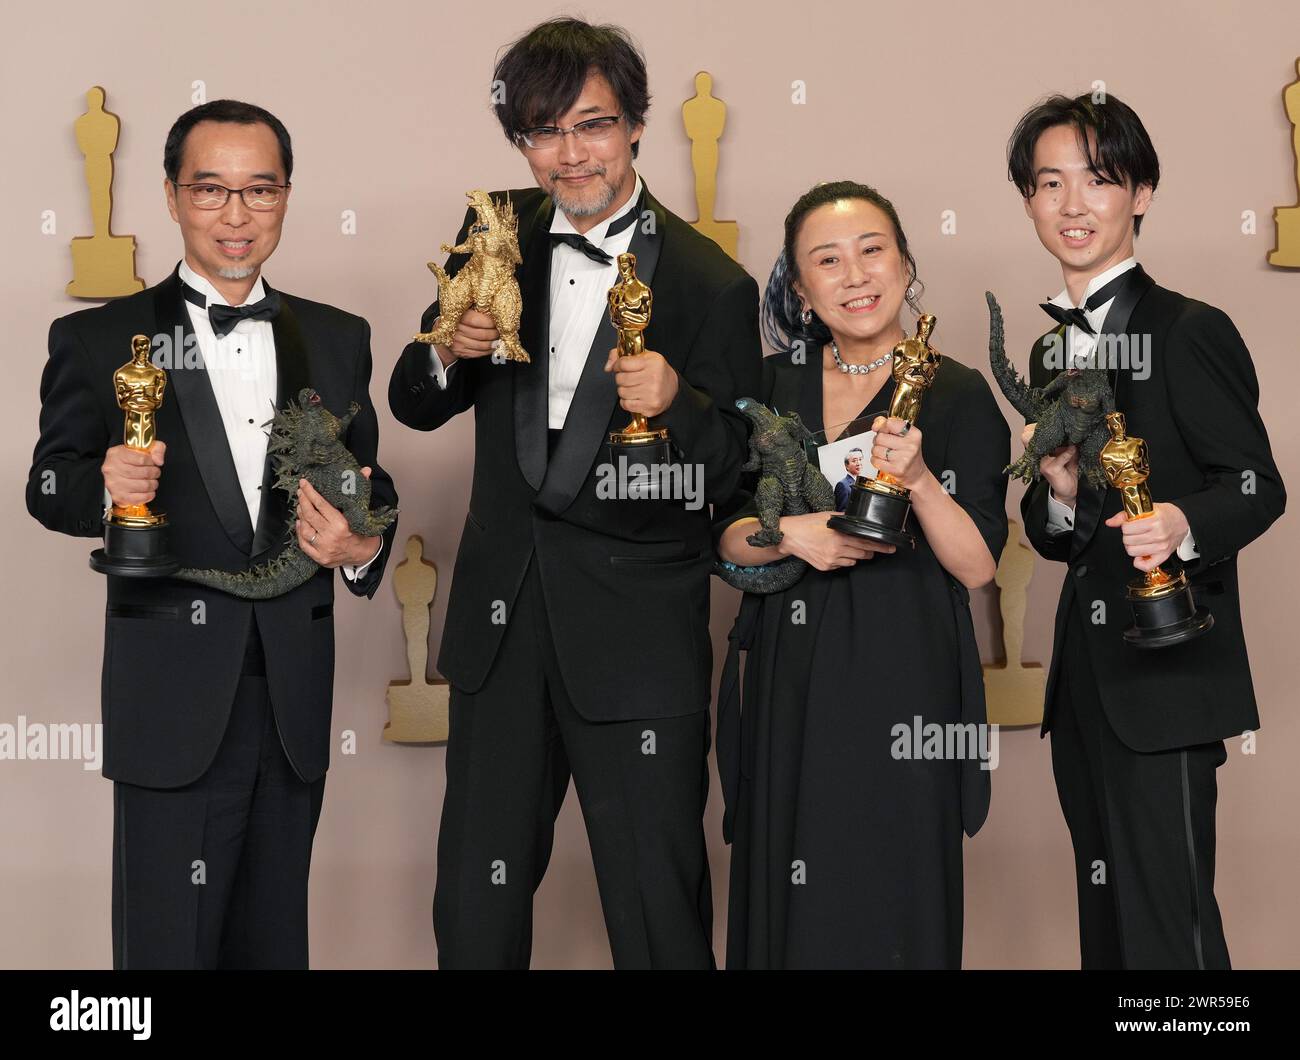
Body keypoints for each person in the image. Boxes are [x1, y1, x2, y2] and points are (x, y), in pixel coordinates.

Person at [388, 17, 761, 969]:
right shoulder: (495, 228)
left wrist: (678, 404)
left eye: (591, 125)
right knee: (474, 906)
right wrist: (443, 348)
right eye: (543, 131)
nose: (569, 154)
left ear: (636, 124)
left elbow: (738, 471)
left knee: (659, 912)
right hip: (499, 626)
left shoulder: (713, 281)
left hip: (636, 642)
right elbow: (414, 402)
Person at [27, 100, 399, 969]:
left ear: (286, 197)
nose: (237, 215)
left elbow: (367, 490)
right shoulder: (94, 337)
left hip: (293, 700)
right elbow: (50, 485)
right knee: (165, 953)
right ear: (170, 196)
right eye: (212, 190)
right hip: (170, 698)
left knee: (274, 948)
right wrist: (102, 486)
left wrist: (363, 549)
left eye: (258, 191)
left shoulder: (340, 338)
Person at [1007, 92, 1285, 968]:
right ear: (1028, 203)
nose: (1072, 204)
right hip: (1087, 685)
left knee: (1172, 935)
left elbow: (1257, 486)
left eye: (1097, 179)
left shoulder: (1191, 329)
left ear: (1143, 192)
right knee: (1112, 935)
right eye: (1049, 184)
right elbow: (1059, 535)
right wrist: (1056, 493)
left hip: (1168, 676)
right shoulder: (1050, 354)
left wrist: (1179, 523)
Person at [713, 181, 1009, 968]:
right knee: (790, 877)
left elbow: (979, 565)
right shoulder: (771, 386)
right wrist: (790, 534)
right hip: (791, 675)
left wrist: (918, 482)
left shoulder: (958, 391)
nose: (855, 274)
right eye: (828, 260)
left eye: (872, 250)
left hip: (905, 676)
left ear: (905, 262)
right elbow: (725, 541)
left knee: (894, 885)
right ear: (802, 290)